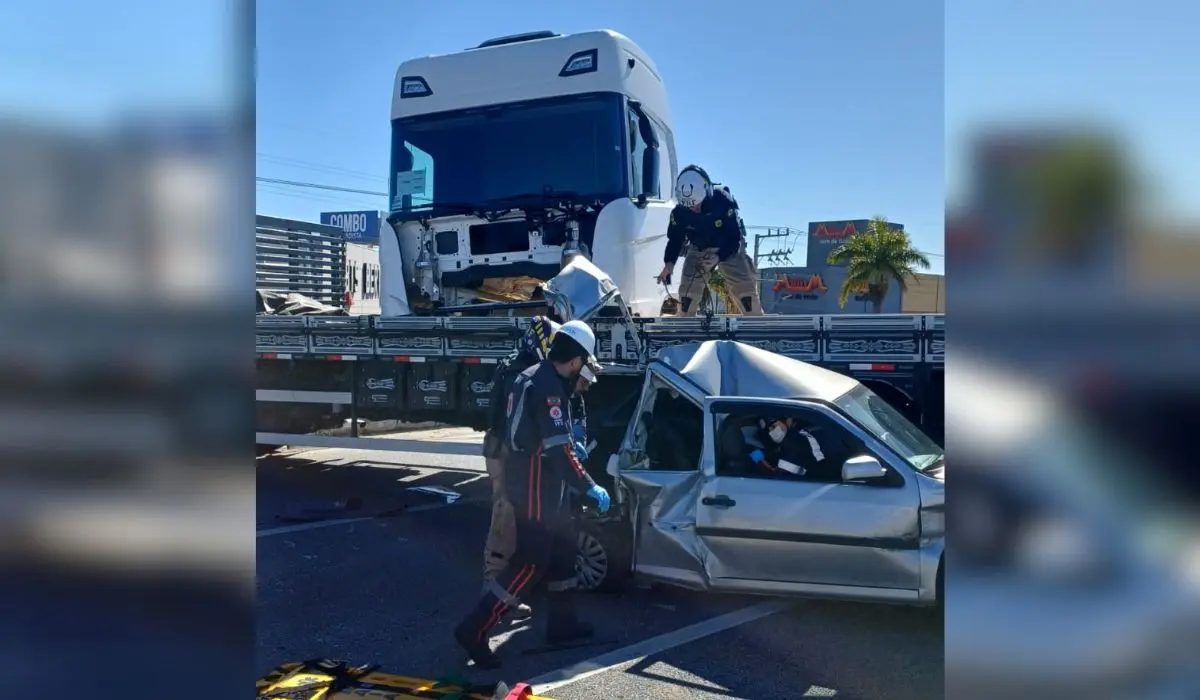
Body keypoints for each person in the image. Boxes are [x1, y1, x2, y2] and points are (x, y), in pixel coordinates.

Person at [454, 321, 612, 669]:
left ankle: (562, 624)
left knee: (562, 550)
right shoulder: (549, 388)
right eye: (583, 364)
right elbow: (557, 449)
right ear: (575, 360)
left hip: (539, 478)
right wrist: (588, 484)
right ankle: (474, 629)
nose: (581, 372)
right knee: (530, 561)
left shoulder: (534, 374)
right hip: (536, 480)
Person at [480, 316, 561, 621]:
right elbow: (511, 422)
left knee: (514, 518)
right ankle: (492, 591)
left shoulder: (517, 365)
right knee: (505, 517)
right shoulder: (519, 371)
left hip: (506, 448)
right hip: (505, 450)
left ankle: (504, 591)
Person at [656, 165, 763, 317]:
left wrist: (719, 257)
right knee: (688, 296)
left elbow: (735, 238)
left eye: (698, 204)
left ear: (707, 192)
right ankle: (685, 330)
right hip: (698, 248)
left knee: (746, 294)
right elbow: (675, 240)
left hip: (728, 247)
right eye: (690, 206)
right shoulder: (679, 213)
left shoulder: (723, 202)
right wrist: (669, 264)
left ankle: (757, 327)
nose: (695, 209)